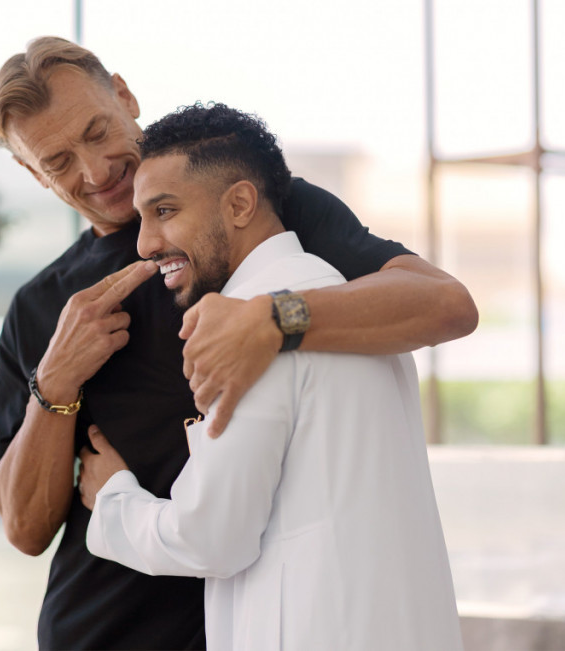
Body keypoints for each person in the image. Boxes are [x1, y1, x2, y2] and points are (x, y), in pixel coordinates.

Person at [0, 36, 476, 650]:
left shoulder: (255, 206)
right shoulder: (40, 307)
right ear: (33, 173)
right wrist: (54, 381)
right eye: (58, 161)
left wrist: (272, 319)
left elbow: (447, 305)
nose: (95, 170)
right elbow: (25, 529)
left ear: (125, 96)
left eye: (96, 131)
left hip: (256, 613)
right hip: (100, 629)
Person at [79, 102, 463, 651]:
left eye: (165, 210)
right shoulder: (346, 303)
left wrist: (113, 500)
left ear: (239, 204)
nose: (145, 244)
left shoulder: (251, 328)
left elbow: (210, 538)